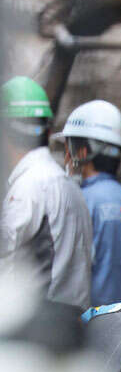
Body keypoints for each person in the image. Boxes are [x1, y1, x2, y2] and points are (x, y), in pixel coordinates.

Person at [0, 76, 92, 310]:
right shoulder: (66, 183)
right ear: (48, 130)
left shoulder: (30, 187)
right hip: (71, 321)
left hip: (40, 323)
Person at [55, 100, 121, 306]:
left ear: (82, 152)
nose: (67, 157)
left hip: (93, 321)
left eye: (69, 148)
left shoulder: (78, 201)